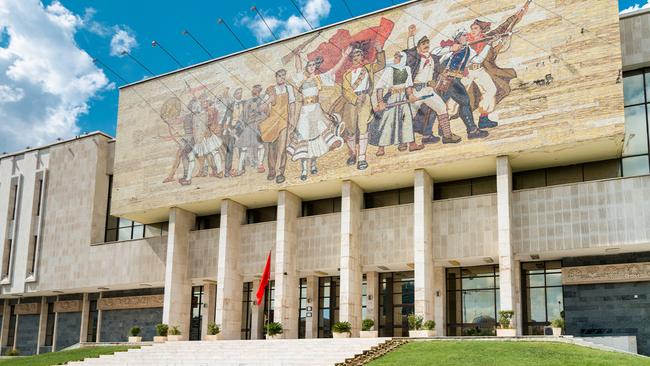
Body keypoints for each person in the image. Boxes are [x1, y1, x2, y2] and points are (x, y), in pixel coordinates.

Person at [287, 49, 348, 181]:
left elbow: (333, 70)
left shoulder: (319, 78)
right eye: (309, 65)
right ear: (307, 67)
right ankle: (303, 170)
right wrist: (297, 55)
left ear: (315, 67)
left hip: (316, 110)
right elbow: (297, 67)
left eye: (313, 65)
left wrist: (343, 57)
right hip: (305, 112)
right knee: (304, 137)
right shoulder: (301, 79)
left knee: (317, 137)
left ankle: (313, 163)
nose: (311, 67)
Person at [335, 42, 385, 170]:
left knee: (363, 128)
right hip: (352, 102)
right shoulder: (347, 74)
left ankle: (362, 158)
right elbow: (345, 90)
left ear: (362, 56)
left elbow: (381, 65)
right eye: (354, 55)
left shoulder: (368, 68)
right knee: (351, 130)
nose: (357, 57)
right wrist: (356, 99)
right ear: (351, 58)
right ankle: (352, 154)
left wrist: (379, 51)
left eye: (359, 54)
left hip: (365, 100)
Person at [432, 29, 489, 140]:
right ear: (457, 38)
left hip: (455, 80)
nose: (466, 37)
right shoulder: (452, 48)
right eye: (463, 35)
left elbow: (477, 60)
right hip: (445, 79)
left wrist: (488, 46)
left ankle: (469, 130)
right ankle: (471, 130)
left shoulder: (468, 50)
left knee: (460, 103)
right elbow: (434, 52)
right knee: (444, 105)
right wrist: (450, 49)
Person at [403, 31, 459, 144]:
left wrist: (451, 49)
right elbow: (410, 50)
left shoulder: (432, 58)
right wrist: (410, 36)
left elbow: (442, 52)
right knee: (409, 116)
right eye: (423, 44)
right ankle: (403, 141)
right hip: (416, 91)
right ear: (418, 47)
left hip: (428, 91)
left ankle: (447, 136)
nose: (426, 45)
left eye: (427, 43)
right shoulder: (415, 59)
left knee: (442, 108)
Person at [368, 51, 423, 155]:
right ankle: (381, 148)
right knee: (387, 121)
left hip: (403, 98)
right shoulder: (389, 70)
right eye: (395, 57)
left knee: (407, 120)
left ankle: (412, 144)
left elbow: (408, 86)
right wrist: (380, 102)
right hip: (392, 98)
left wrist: (410, 95)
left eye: (398, 57)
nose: (395, 59)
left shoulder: (407, 69)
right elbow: (380, 87)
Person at [259, 69, 296, 183]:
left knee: (282, 147)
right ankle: (271, 170)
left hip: (284, 121)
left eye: (283, 76)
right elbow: (261, 108)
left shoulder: (288, 89)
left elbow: (292, 104)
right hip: (273, 121)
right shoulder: (271, 90)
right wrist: (268, 101)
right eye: (279, 76)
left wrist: (292, 119)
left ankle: (281, 172)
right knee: (272, 147)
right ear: (276, 77)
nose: (281, 78)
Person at [234, 85, 267, 176]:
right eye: (253, 90)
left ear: (259, 92)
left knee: (260, 146)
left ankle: (260, 165)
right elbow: (242, 115)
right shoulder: (248, 102)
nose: (254, 92)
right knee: (244, 148)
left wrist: (259, 120)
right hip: (248, 127)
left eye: (256, 91)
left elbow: (264, 114)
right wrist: (240, 123)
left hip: (257, 126)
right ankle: (240, 168)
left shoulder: (262, 101)